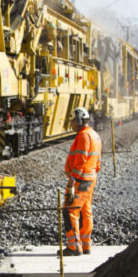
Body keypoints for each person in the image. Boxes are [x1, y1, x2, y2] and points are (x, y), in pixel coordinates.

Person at [59, 108, 101, 256]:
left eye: (72, 121)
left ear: (78, 120)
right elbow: (97, 163)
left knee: (70, 210)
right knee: (85, 211)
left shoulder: (83, 136)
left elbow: (80, 162)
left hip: (80, 180)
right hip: (90, 179)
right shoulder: (94, 135)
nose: (71, 124)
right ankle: (85, 244)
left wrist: (72, 181)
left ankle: (74, 246)